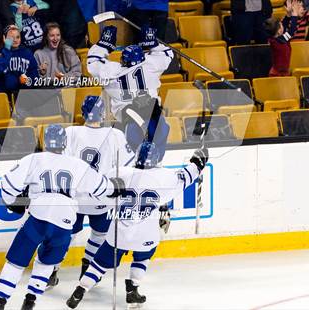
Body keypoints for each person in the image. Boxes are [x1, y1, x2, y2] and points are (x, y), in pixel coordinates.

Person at [0, 124, 125, 310]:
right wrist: (116, 186)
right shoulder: (78, 164)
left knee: (15, 262)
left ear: (45, 141)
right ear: (64, 142)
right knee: (46, 263)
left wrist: (13, 203)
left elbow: (7, 185)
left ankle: (0, 301)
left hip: (38, 218)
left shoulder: (33, 159)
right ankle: (30, 300)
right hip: (64, 223)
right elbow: (104, 189)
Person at [66, 142, 209, 309]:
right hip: (145, 234)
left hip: (118, 234)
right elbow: (186, 176)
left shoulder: (119, 172)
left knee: (100, 263)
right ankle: (132, 289)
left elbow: (101, 190)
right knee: (144, 255)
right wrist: (198, 161)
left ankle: (80, 290)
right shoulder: (165, 177)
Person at [46, 96, 135, 288]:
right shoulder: (115, 135)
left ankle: (51, 269)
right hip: (101, 196)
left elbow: (59, 163)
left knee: (65, 235)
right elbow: (127, 167)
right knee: (100, 234)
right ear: (103, 114)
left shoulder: (70, 132)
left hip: (74, 197)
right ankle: (87, 266)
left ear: (83, 112)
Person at [87, 25, 173, 160]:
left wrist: (104, 44)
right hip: (156, 122)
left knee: (133, 166)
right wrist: (153, 43)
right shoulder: (151, 65)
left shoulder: (113, 73)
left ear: (123, 60)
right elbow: (168, 53)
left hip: (129, 124)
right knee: (155, 162)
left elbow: (93, 61)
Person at [0, 25, 39, 94]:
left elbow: (34, 73)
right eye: (11, 38)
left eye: (17, 37)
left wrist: (27, 81)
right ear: (4, 38)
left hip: (24, 93)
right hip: (4, 93)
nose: (15, 40)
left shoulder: (27, 52)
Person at [263, 0, 301, 77]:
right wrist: (295, 15)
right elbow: (292, 31)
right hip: (277, 74)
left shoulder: (277, 38)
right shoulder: (278, 41)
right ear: (279, 31)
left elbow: (284, 24)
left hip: (283, 73)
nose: (283, 25)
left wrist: (288, 14)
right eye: (281, 25)